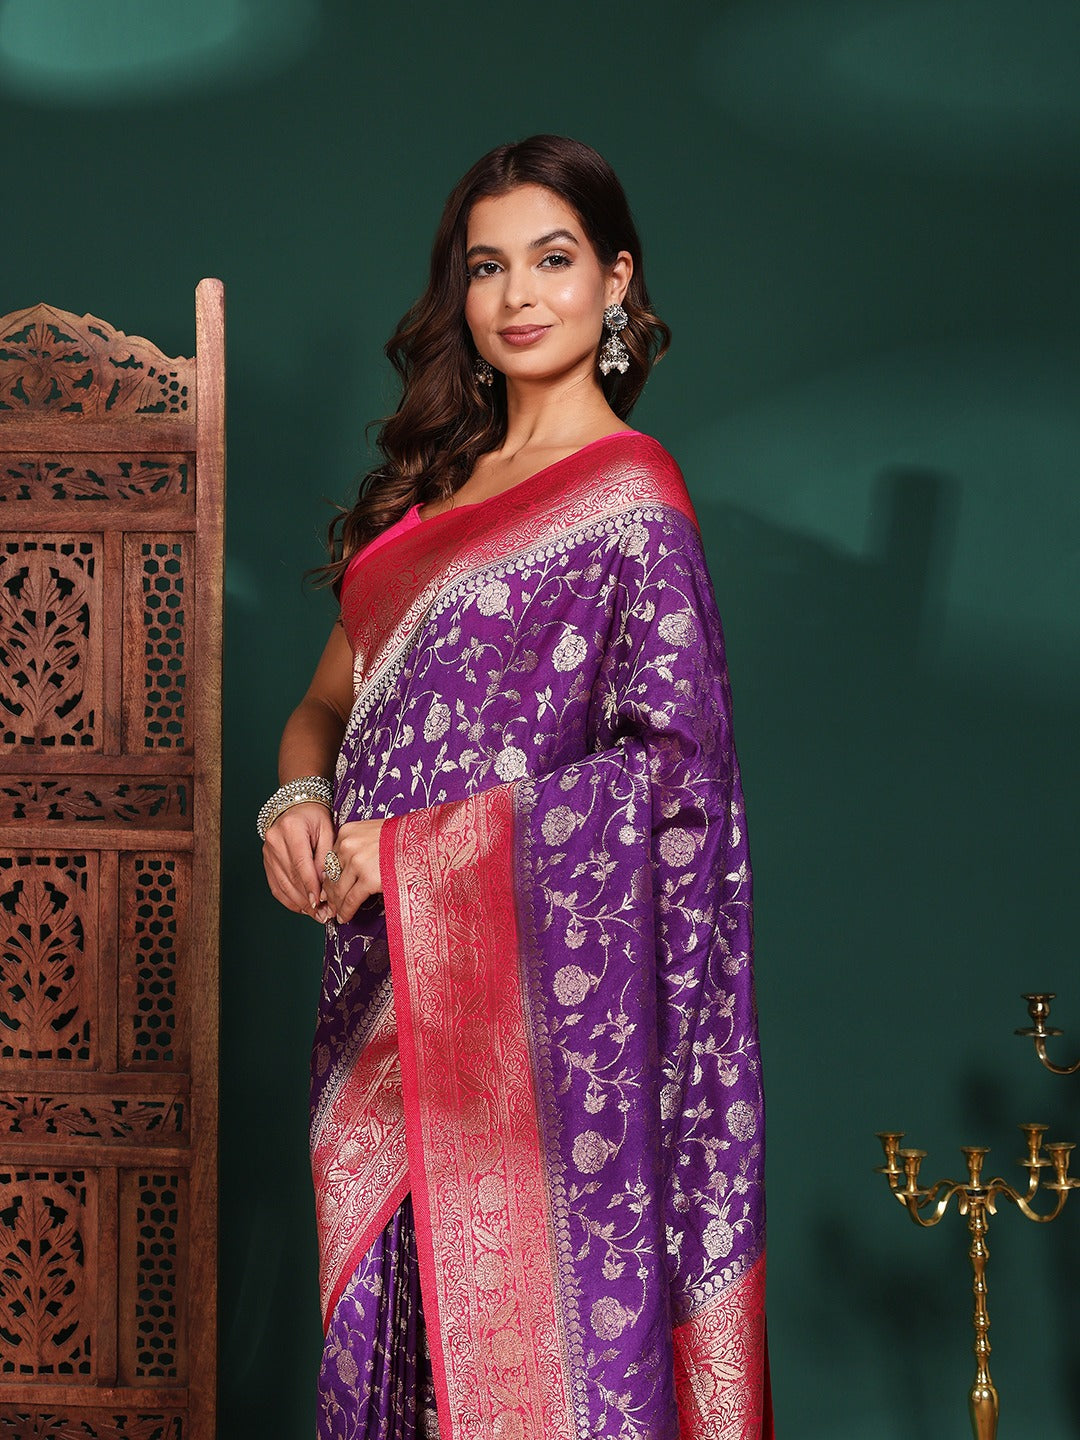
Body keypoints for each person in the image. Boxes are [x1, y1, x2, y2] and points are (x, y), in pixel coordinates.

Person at [261, 135, 771, 1440]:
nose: (518, 295)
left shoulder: (634, 499)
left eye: (552, 259)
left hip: (537, 1029)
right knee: (398, 1346)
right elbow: (322, 708)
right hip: (381, 992)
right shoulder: (425, 497)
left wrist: (417, 853)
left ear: (617, 281)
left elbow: (676, 777)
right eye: (487, 267)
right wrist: (295, 803)